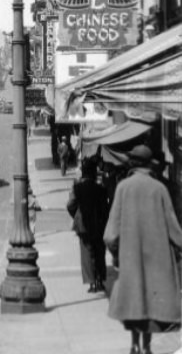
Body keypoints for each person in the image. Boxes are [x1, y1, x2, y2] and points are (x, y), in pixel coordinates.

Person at [104, 144, 182, 354]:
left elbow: (110, 234)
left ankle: (134, 344)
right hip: (157, 260)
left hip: (131, 258)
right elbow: (174, 228)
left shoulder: (123, 187)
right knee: (149, 304)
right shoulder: (159, 189)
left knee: (134, 303)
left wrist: (116, 253)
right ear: (149, 164)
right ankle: (147, 346)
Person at [66, 158, 110, 293]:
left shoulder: (78, 188)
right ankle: (100, 280)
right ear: (94, 173)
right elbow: (105, 208)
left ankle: (91, 282)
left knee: (86, 253)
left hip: (83, 225)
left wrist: (77, 216)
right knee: (99, 252)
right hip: (99, 224)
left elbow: (70, 205)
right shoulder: (101, 189)